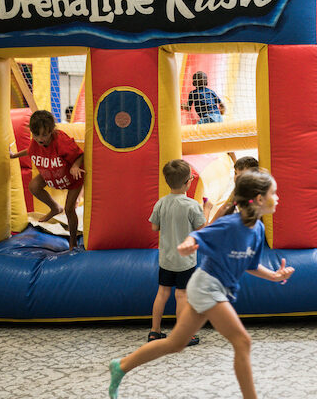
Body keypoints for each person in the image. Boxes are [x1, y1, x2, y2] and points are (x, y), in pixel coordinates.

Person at [109, 169, 294, 399]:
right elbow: (199, 236)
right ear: (258, 199)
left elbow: (251, 265)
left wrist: (275, 276)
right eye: (274, 193)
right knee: (242, 341)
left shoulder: (257, 229)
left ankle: (122, 366)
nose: (278, 198)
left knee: (176, 343)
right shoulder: (230, 225)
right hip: (207, 287)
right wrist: (188, 243)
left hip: (211, 288)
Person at [147, 159, 207, 346]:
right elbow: (202, 229)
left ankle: (154, 331)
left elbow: (154, 227)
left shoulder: (161, 203)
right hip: (185, 261)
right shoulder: (192, 205)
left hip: (166, 259)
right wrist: (208, 208)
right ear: (188, 182)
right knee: (182, 295)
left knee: (162, 293)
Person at [9, 110, 84, 250]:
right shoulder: (36, 142)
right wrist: (14, 156)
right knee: (34, 186)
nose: (40, 139)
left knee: (69, 210)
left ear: (52, 131)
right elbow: (30, 150)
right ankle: (55, 207)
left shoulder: (61, 141)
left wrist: (75, 166)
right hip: (53, 173)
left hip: (72, 178)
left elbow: (80, 154)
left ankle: (72, 241)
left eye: (45, 134)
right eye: (36, 135)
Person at [210, 155, 259, 223]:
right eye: (235, 173)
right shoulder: (237, 189)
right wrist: (211, 225)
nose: (236, 178)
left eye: (242, 175)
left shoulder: (255, 193)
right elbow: (224, 207)